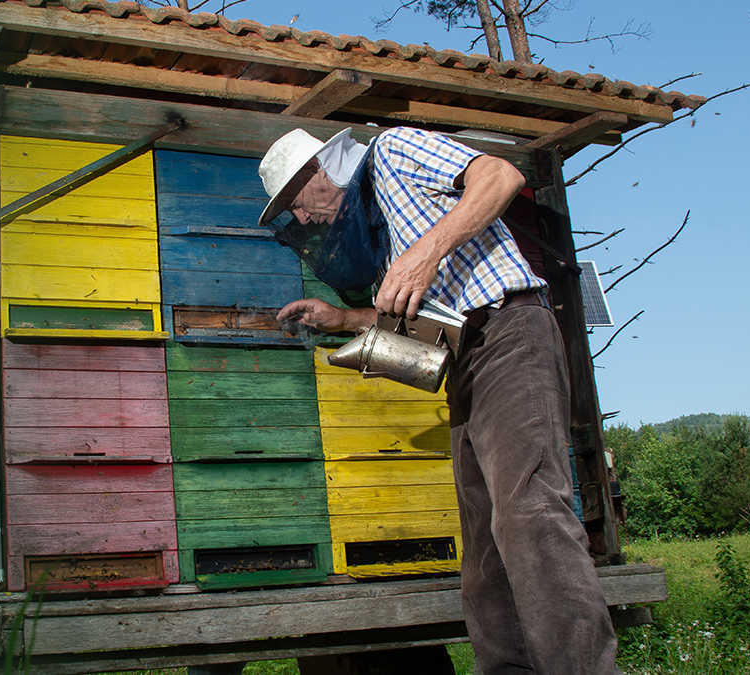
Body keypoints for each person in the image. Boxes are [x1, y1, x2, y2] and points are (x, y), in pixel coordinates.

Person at [258, 126, 622, 675]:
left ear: (320, 170)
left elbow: (501, 175)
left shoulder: (395, 149)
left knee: (529, 515)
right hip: (467, 363)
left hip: (508, 333)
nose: (302, 220)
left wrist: (424, 254)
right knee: (484, 545)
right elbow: (423, 322)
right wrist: (343, 320)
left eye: (295, 202)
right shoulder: (379, 222)